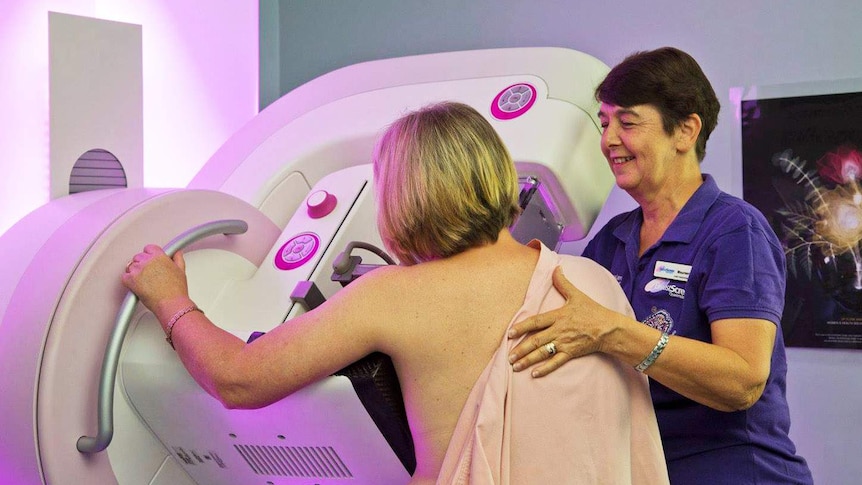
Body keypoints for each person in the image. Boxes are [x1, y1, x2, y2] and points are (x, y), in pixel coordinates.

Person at [123, 101, 669, 484]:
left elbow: (238, 379)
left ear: (401, 197)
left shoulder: (393, 295)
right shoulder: (591, 282)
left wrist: (171, 299)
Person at [507, 47, 814, 484]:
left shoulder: (734, 231)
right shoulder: (612, 240)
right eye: (605, 121)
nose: (609, 139)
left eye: (627, 122)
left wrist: (614, 332)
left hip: (734, 471)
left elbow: (743, 380)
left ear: (686, 130)